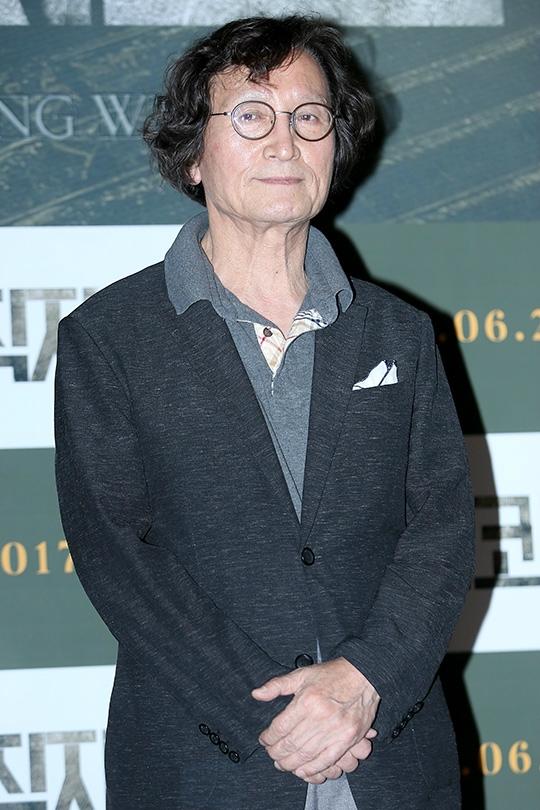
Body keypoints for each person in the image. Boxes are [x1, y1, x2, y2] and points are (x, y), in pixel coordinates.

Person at [54, 15, 475, 810]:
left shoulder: (400, 333)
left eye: (309, 117)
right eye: (251, 115)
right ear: (192, 154)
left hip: (387, 754)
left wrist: (365, 679)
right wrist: (275, 716)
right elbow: (118, 556)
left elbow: (443, 530)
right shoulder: (109, 339)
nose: (286, 141)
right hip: (205, 762)